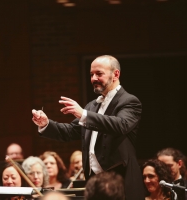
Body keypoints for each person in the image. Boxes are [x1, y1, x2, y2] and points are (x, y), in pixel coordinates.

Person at [32, 55, 145, 200]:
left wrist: (84, 114)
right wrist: (46, 124)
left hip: (120, 183)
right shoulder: (92, 105)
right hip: (94, 185)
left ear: (116, 74)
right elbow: (71, 131)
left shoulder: (129, 101)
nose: (93, 79)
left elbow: (121, 124)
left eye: (99, 74)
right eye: (91, 74)